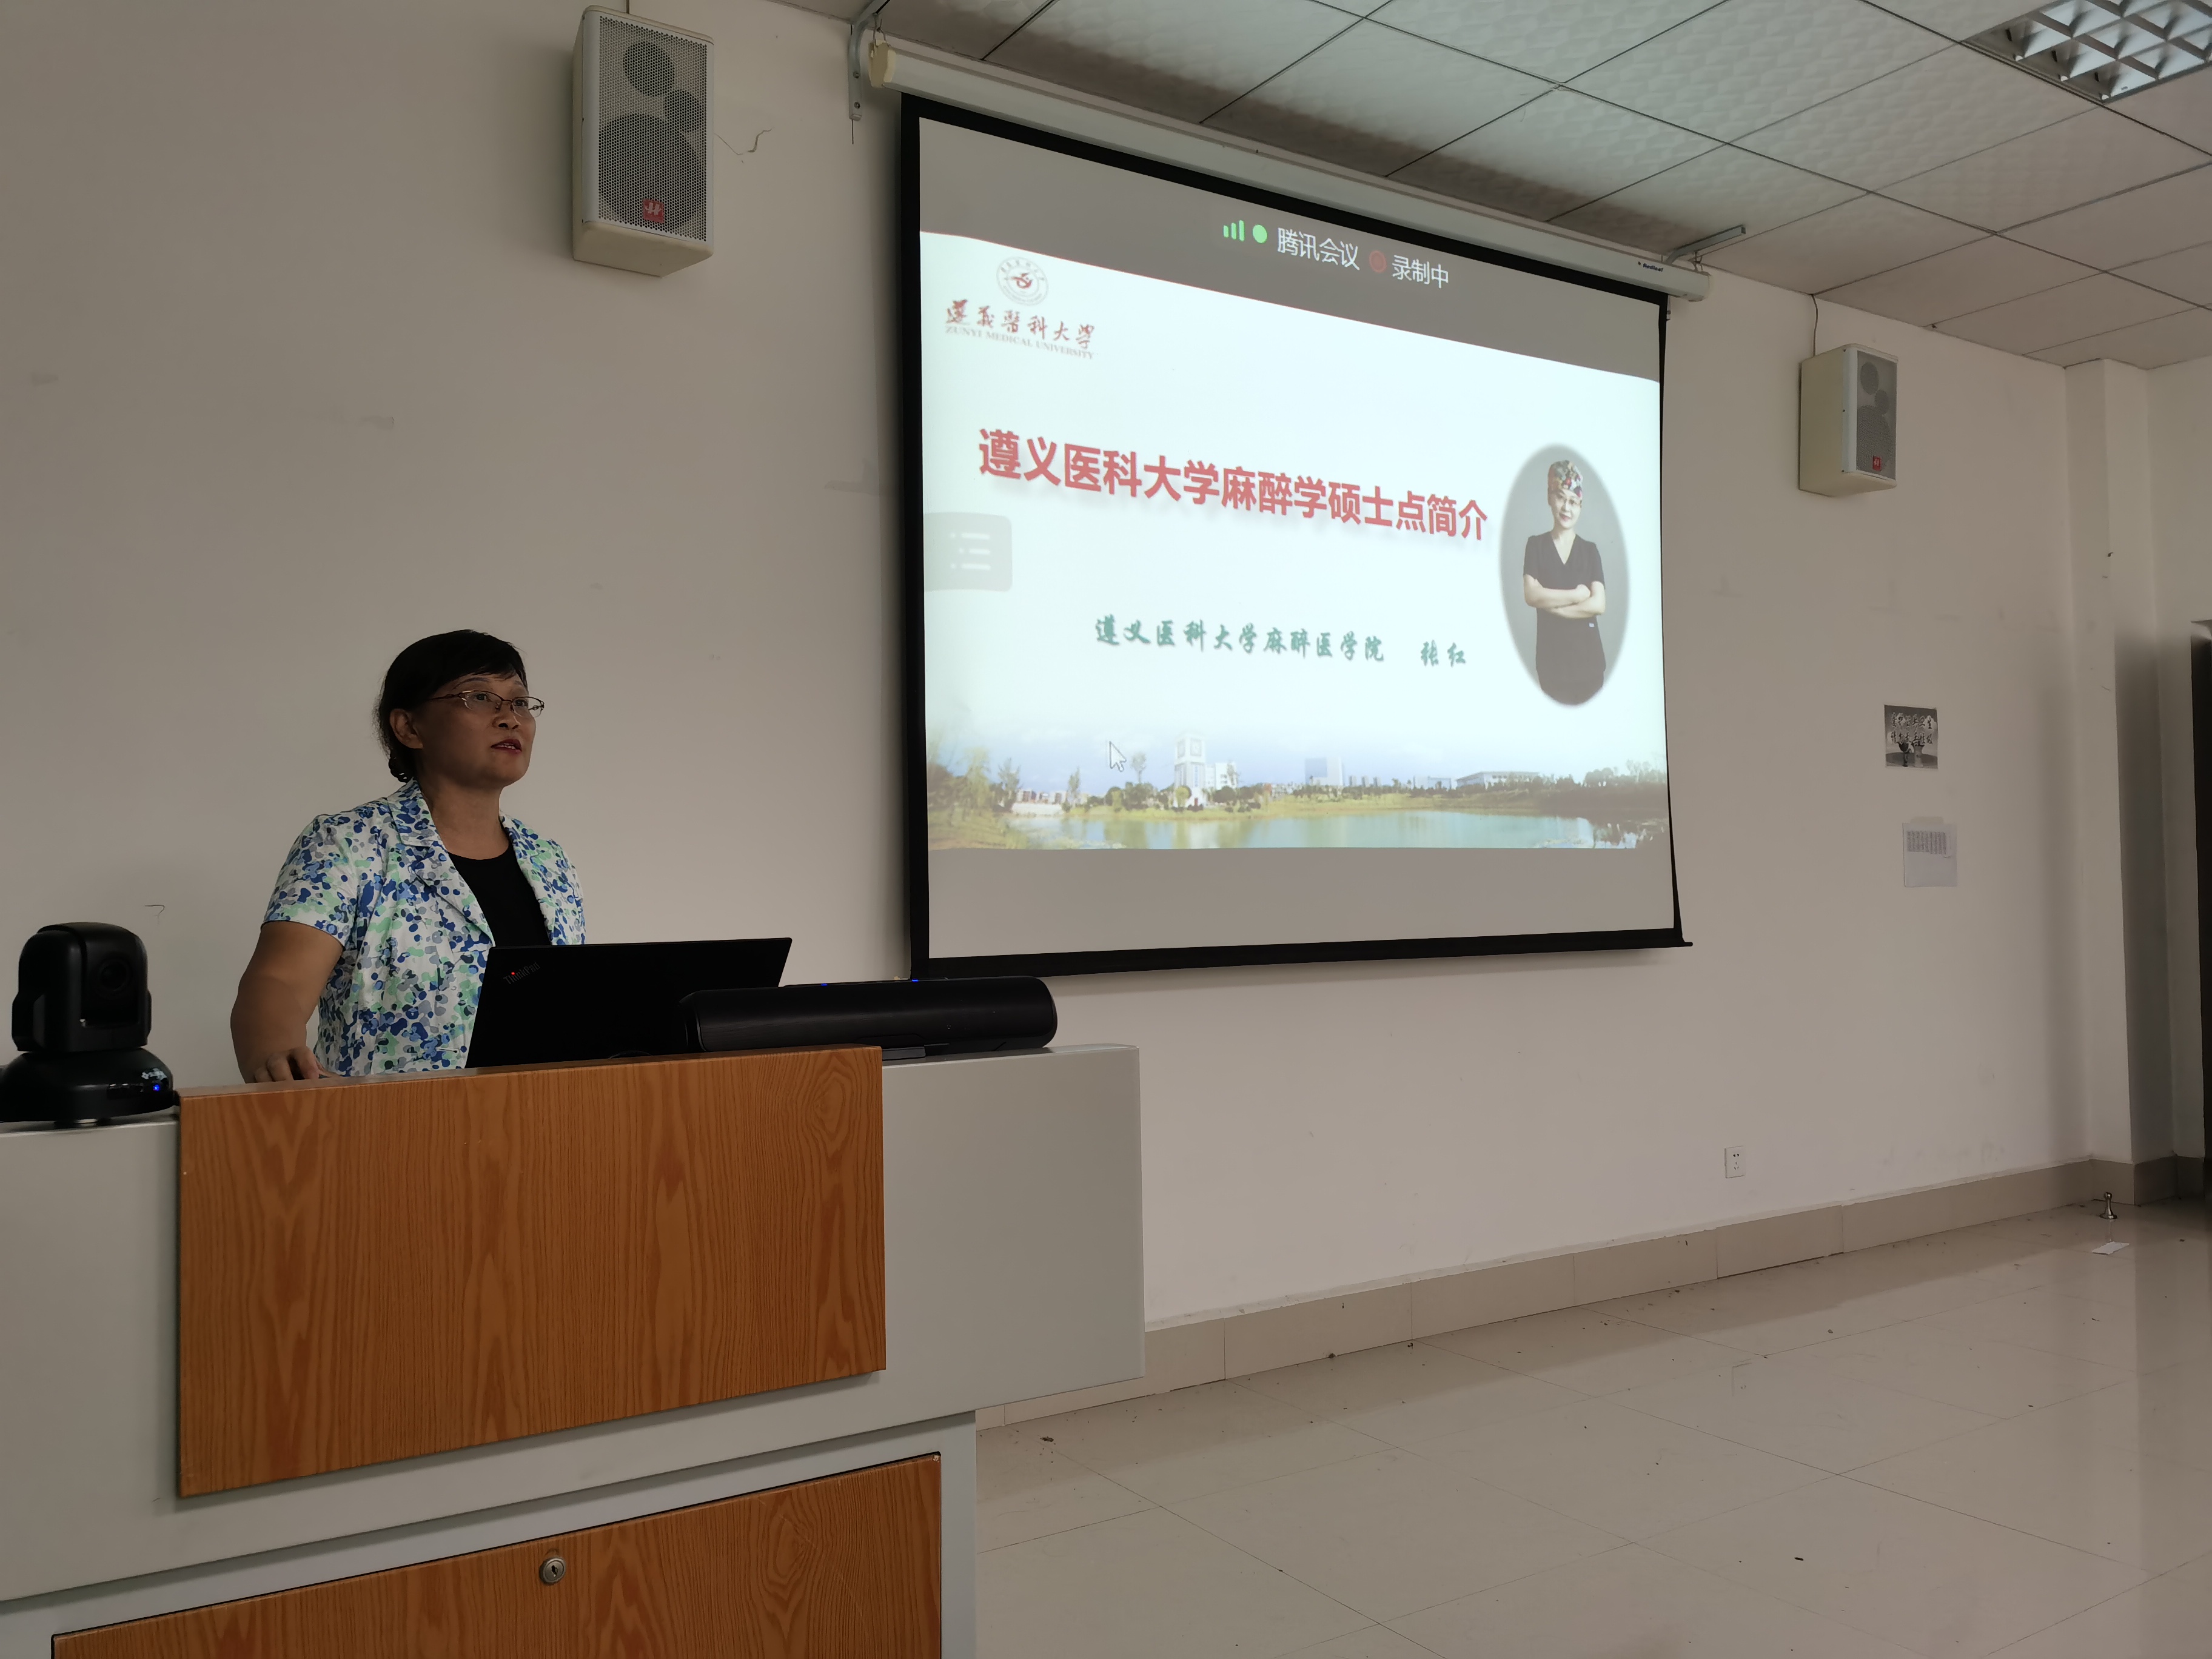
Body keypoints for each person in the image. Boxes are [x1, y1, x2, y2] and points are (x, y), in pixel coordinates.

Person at [230, 631, 586, 1081]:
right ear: (409, 728)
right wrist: (277, 1055)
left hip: (544, 1116)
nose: (509, 719)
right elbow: (279, 981)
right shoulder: (348, 844)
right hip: (388, 1122)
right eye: (479, 697)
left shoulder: (550, 863)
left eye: (519, 702)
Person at [1521, 459, 1607, 705]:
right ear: (1550, 497)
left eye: (1573, 501)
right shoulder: (1536, 546)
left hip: (1590, 664)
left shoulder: (1590, 551)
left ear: (1580, 506)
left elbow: (1599, 605)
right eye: (1560, 498)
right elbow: (1531, 595)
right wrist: (1577, 595)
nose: (1566, 508)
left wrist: (1552, 606)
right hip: (1552, 665)